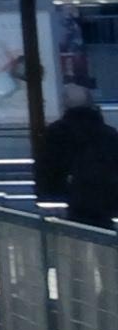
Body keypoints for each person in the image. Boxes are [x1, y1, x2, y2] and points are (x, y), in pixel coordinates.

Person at [43, 86, 118, 228]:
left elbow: (47, 171)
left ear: (65, 104)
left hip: (70, 204)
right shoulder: (109, 134)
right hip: (105, 203)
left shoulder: (56, 134)